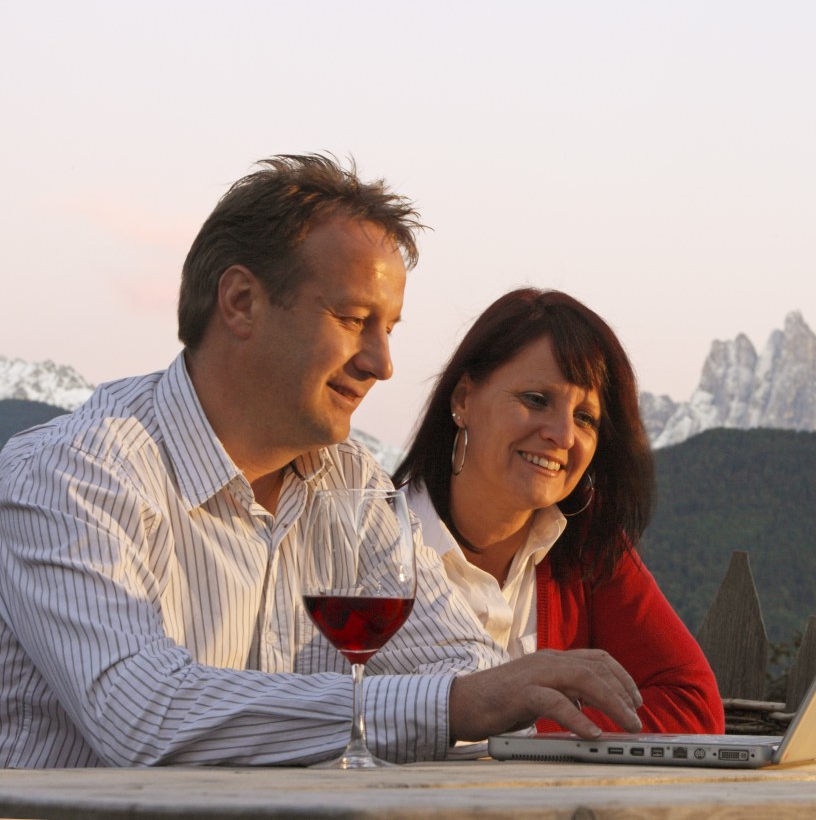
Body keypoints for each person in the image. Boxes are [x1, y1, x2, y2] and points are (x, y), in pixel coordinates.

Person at [0, 155, 641, 768]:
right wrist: (458, 705)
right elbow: (143, 713)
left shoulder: (351, 482)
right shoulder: (74, 474)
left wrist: (481, 698)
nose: (381, 363)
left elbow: (459, 667)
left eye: (388, 328)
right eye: (354, 318)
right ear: (242, 302)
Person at [394, 288, 724, 735]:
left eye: (585, 417)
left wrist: (530, 729)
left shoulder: (586, 543)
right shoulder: (375, 536)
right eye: (536, 399)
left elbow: (695, 707)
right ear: (463, 399)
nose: (563, 434)